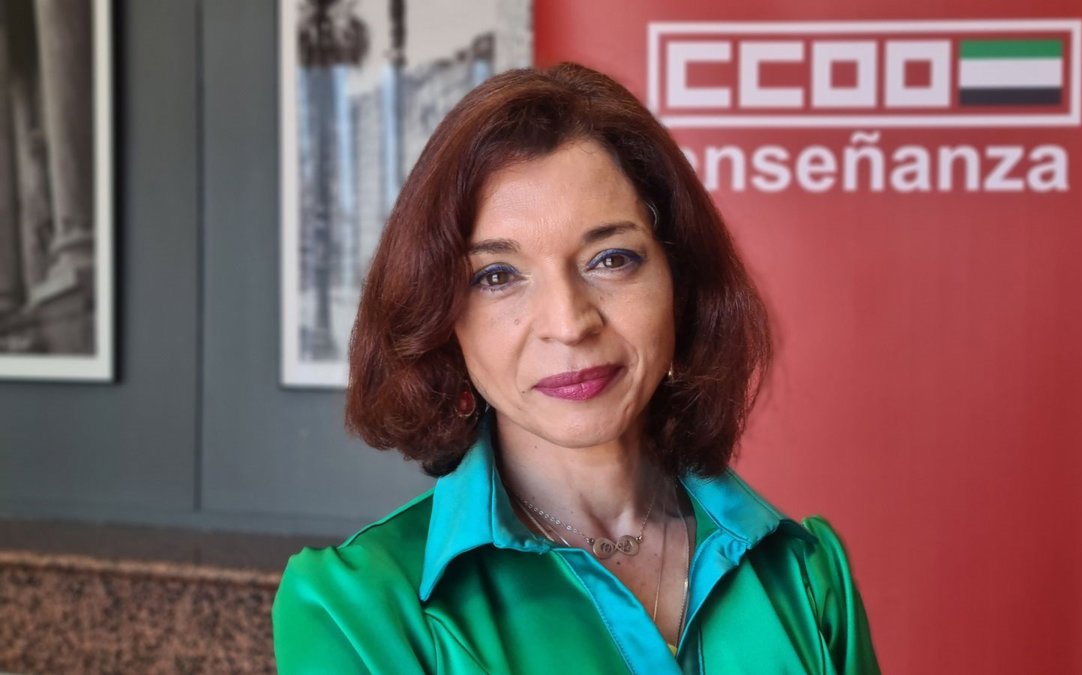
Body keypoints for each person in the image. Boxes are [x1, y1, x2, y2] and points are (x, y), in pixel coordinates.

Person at [272, 62, 881, 675]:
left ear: (680, 284)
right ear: (442, 321)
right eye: (497, 276)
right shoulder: (358, 611)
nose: (569, 323)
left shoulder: (804, 576)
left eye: (611, 259)